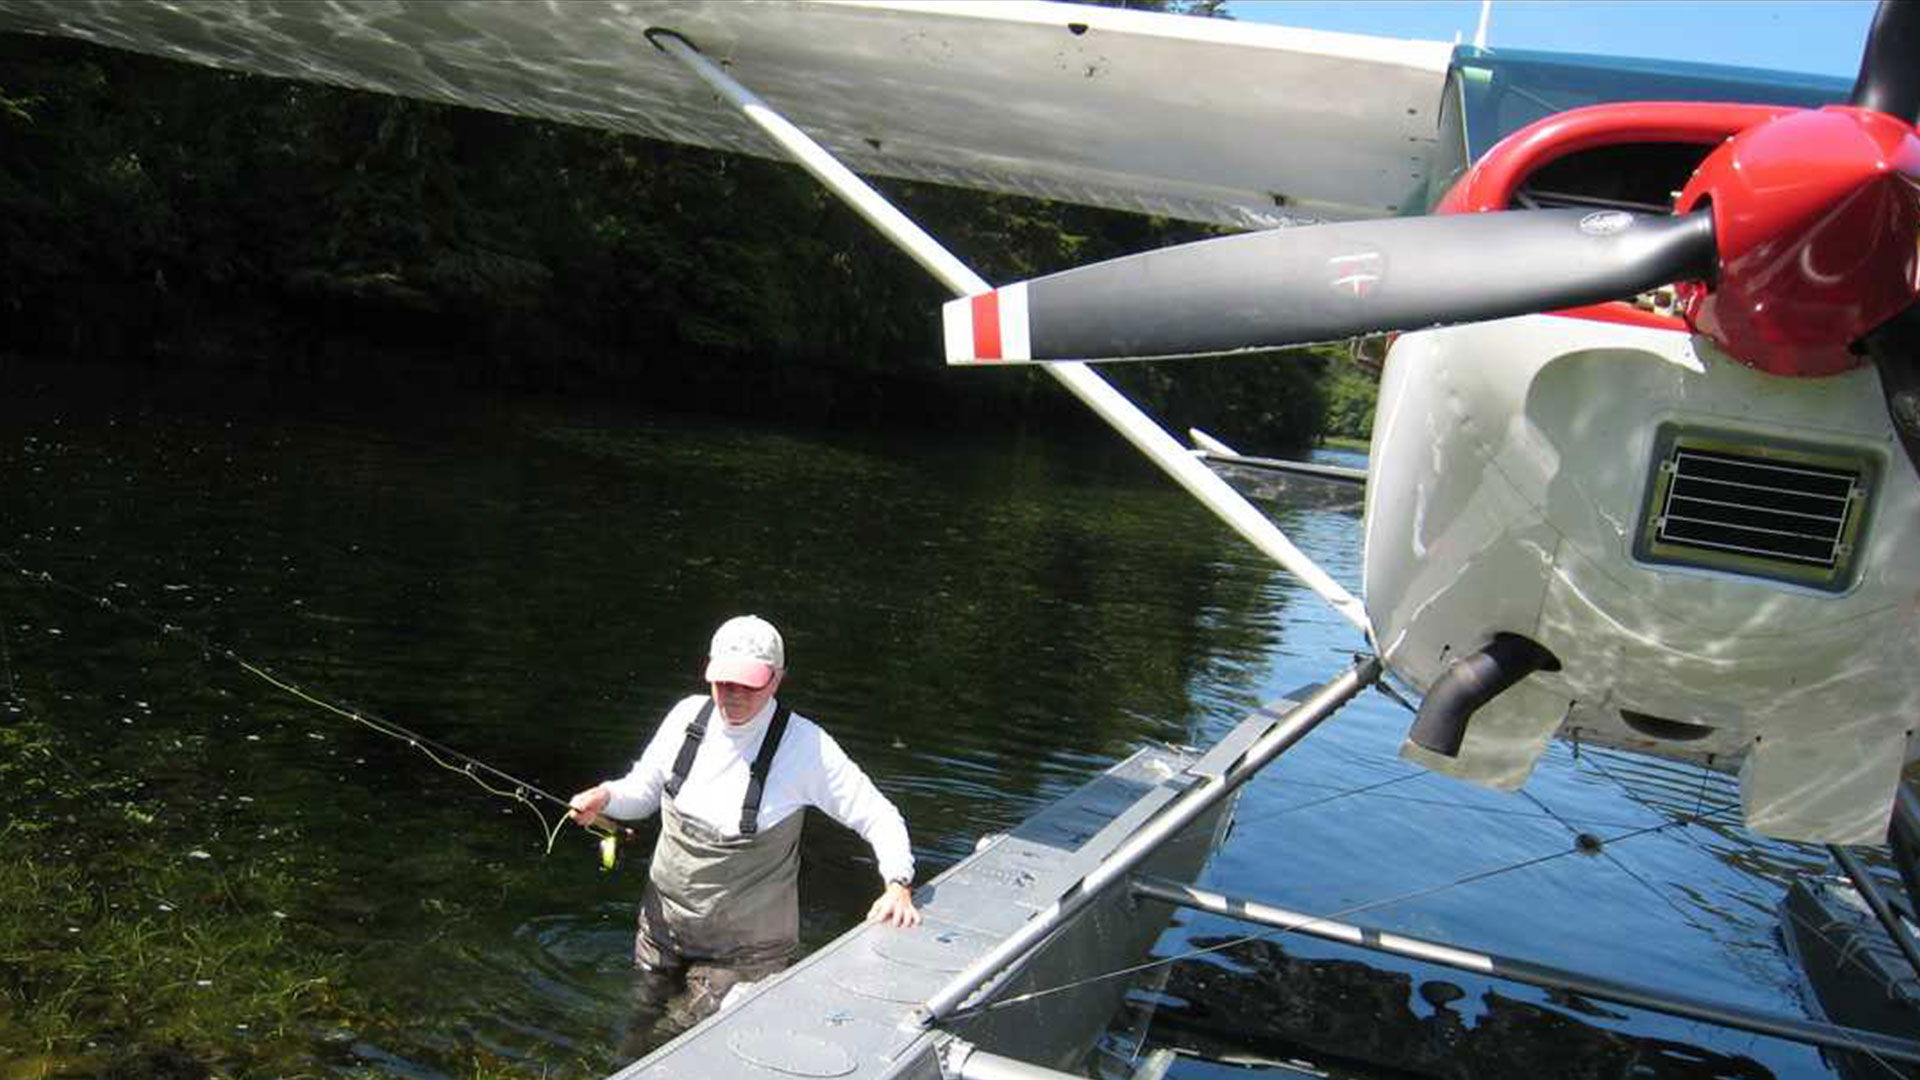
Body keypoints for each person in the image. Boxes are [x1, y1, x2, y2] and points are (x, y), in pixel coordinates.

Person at [568, 614, 920, 1040]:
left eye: (748, 684)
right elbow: (642, 791)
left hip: (743, 957)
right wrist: (605, 797)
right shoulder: (686, 716)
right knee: (635, 1033)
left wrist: (897, 883)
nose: (732, 695)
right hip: (661, 934)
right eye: (722, 682)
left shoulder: (806, 747)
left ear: (776, 680)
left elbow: (879, 815)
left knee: (672, 1038)